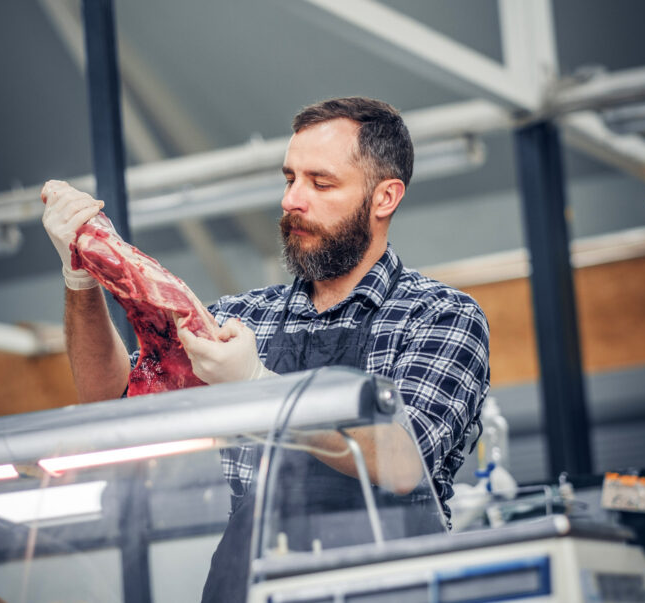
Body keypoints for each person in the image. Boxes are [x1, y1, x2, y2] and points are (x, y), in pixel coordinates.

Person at [41, 96, 490, 601]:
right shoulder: (244, 318)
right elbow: (113, 405)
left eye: (321, 183)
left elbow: (403, 461)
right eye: (289, 179)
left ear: (385, 197)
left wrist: (258, 387)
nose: (292, 200)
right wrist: (81, 277)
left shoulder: (437, 315)